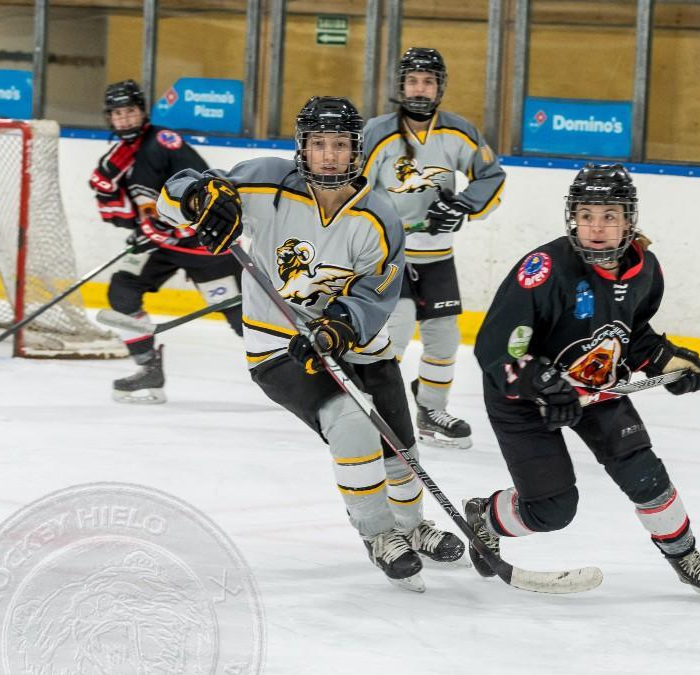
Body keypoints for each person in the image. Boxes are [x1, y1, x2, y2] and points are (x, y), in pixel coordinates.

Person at [156, 96, 465, 592]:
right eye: (318, 144)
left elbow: (377, 291)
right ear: (302, 147)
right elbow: (171, 196)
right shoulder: (263, 180)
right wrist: (198, 194)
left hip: (355, 343)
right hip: (279, 346)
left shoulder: (378, 215)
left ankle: (413, 526)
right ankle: (379, 535)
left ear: (355, 149)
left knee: (399, 447)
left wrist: (341, 326)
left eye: (339, 144)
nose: (328, 155)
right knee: (350, 425)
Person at [466, 163, 700, 602]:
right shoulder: (544, 269)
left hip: (596, 390)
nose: (597, 227)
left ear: (629, 220)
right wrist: (541, 384)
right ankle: (486, 517)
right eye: (587, 214)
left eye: (609, 216)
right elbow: (497, 350)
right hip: (523, 399)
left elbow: (631, 333)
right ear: (572, 216)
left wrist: (667, 361)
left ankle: (686, 557)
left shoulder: (645, 269)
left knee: (646, 476)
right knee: (552, 510)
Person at [361, 47, 507, 449]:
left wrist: (462, 206)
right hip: (387, 254)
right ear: (401, 86)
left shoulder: (458, 132)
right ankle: (377, 408)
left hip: (437, 255)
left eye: (428, 81)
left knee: (444, 338)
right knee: (397, 329)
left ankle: (430, 410)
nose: (420, 89)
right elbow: (352, 187)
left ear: (439, 87)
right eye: (413, 81)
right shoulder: (377, 132)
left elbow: (490, 177)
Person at [90, 79, 243, 404]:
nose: (125, 119)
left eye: (130, 111)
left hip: (204, 246)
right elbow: (135, 205)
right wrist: (141, 226)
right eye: (117, 114)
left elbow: (202, 185)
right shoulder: (121, 155)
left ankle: (308, 367)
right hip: (163, 246)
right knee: (123, 290)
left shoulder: (162, 141)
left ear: (142, 111)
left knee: (241, 317)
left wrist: (166, 222)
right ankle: (149, 368)